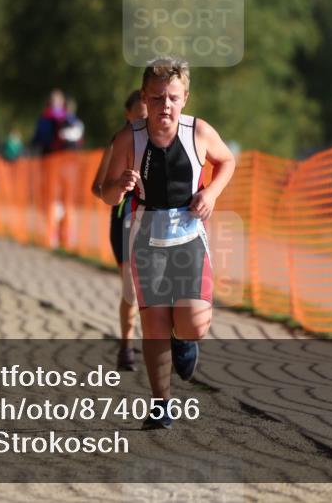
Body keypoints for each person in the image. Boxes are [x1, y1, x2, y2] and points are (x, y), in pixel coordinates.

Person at [101, 57, 235, 430]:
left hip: (189, 235)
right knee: (155, 322)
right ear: (145, 97)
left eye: (173, 98)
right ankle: (161, 404)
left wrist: (212, 195)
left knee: (192, 324)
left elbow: (227, 162)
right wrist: (120, 186)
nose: (165, 106)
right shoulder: (130, 138)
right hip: (145, 235)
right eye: (157, 98)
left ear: (185, 98)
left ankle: (185, 339)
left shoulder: (199, 133)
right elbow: (106, 195)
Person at [92, 90, 148, 371]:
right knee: (132, 290)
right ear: (128, 115)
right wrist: (119, 187)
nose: (144, 120)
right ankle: (127, 346)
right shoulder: (119, 143)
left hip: (155, 221)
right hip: (124, 220)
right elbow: (97, 187)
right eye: (139, 115)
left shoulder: (166, 140)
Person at [30, 89, 67, 155]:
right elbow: (38, 134)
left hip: (61, 151)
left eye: (57, 100)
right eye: (52, 100)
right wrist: (33, 144)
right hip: (46, 150)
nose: (54, 102)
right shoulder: (44, 116)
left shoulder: (67, 117)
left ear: (62, 101)